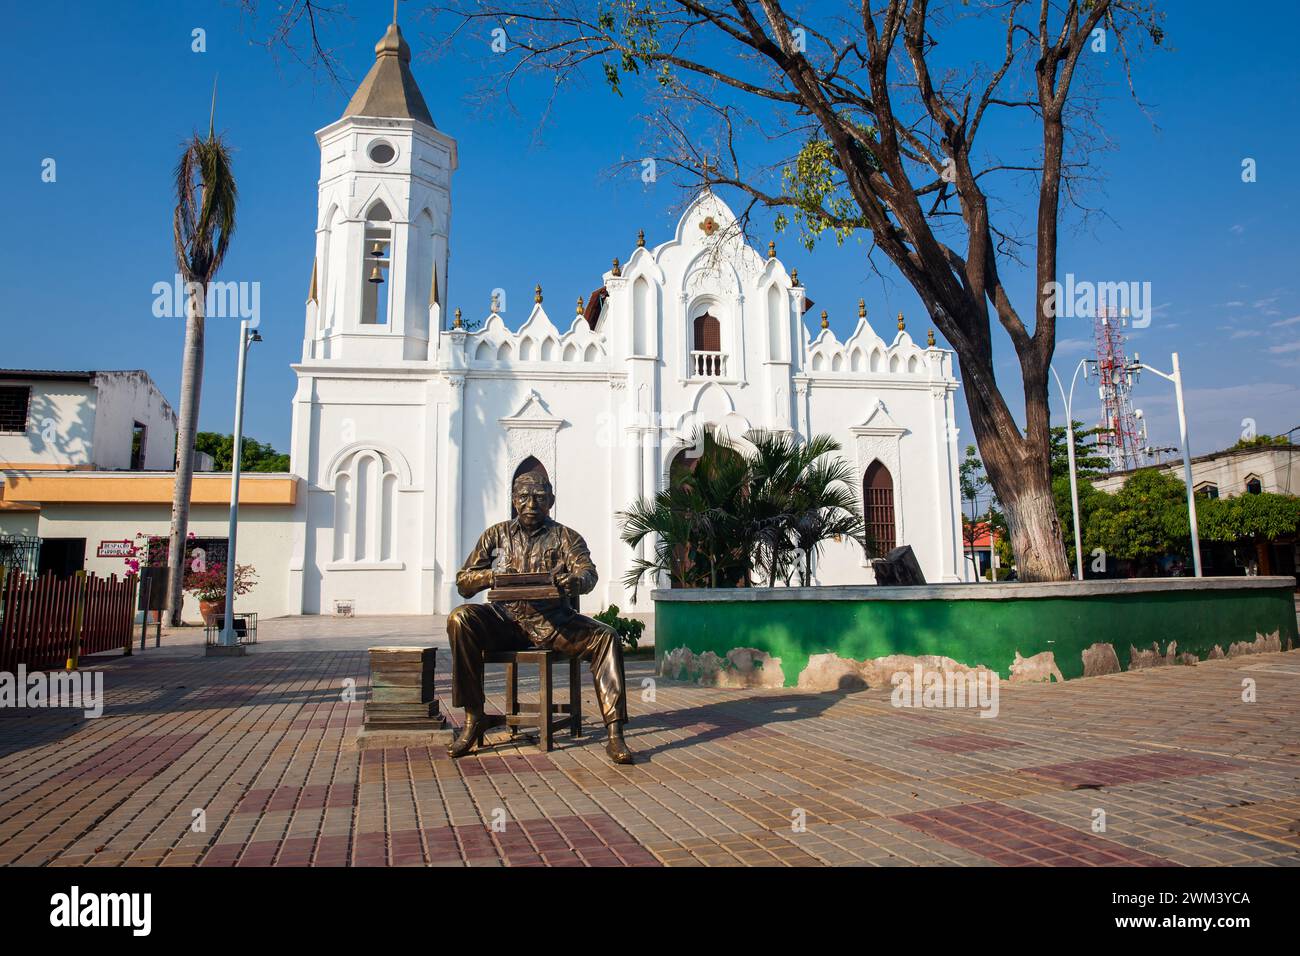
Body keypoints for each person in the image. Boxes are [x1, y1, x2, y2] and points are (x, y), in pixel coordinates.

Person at [445, 471, 634, 765]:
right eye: (523, 497)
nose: (531, 503)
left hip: (553, 623)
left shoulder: (566, 537)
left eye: (539, 497)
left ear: (551, 501)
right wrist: (491, 575)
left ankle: (615, 733)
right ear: (513, 500)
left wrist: (576, 582)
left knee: (606, 637)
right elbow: (463, 583)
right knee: (460, 619)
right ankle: (474, 717)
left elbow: (588, 571)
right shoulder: (496, 536)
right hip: (504, 622)